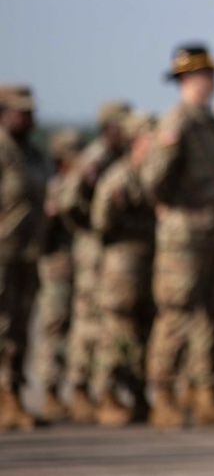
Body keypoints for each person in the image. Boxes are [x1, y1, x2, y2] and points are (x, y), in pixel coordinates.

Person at [141, 44, 214, 428]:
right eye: (202, 75)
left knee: (213, 315)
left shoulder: (210, 123)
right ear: (185, 79)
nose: (210, 82)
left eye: (211, 75)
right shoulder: (176, 123)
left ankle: (205, 393)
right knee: (176, 315)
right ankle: (162, 395)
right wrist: (177, 212)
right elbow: (154, 180)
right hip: (184, 238)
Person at [57, 100, 131, 422]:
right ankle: (80, 388)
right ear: (109, 128)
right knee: (88, 321)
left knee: (104, 322)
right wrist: (87, 229)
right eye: (122, 125)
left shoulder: (119, 157)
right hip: (93, 251)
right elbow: (69, 200)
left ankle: (97, 389)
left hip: (108, 250)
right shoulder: (96, 157)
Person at [90, 113, 158, 426]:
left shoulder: (152, 176)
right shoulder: (120, 177)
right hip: (121, 265)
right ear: (137, 142)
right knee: (116, 332)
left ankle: (137, 395)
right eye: (149, 139)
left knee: (141, 332)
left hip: (147, 262)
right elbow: (101, 221)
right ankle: (106, 396)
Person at [0, 86, 49, 431]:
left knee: (20, 328)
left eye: (31, 111)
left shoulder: (33, 155)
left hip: (27, 254)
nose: (29, 118)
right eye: (21, 111)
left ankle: (12, 393)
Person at [35, 127, 84, 422]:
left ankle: (77, 389)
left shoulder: (74, 185)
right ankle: (51, 391)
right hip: (54, 269)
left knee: (77, 330)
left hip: (77, 265)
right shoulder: (49, 187)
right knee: (54, 328)